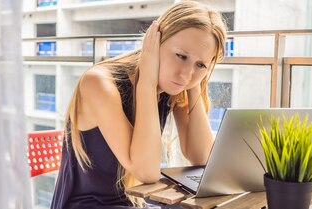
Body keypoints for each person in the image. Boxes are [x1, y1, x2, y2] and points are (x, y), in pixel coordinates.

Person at [51, 1, 227, 208]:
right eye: (181, 56)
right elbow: (146, 172)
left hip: (133, 203)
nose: (185, 73)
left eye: (201, 64)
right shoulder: (99, 82)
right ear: (155, 42)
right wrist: (147, 83)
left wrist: (195, 84)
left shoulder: (174, 85)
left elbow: (202, 157)